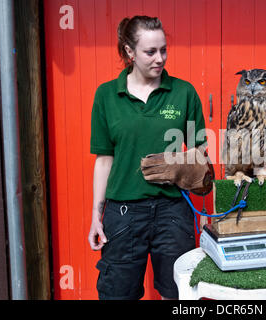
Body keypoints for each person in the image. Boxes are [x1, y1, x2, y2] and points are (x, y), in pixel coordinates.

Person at [87, 15, 212, 300]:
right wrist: (97, 215)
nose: (160, 58)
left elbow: (201, 154)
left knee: (179, 293)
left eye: (164, 49)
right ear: (129, 53)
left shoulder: (183, 93)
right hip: (123, 213)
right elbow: (104, 159)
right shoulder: (106, 95)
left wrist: (180, 168)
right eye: (150, 51)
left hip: (172, 212)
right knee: (117, 293)